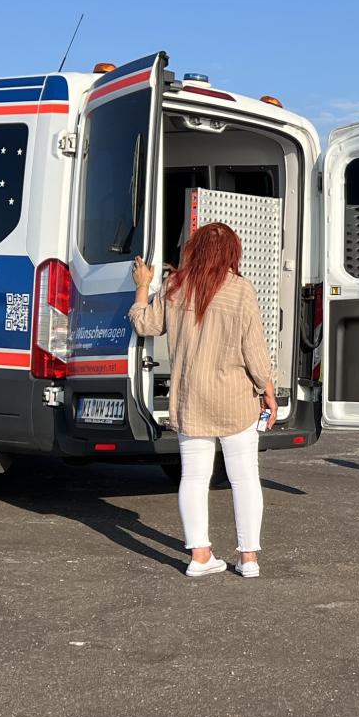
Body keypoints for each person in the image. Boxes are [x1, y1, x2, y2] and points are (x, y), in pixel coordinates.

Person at [130, 223, 276, 579]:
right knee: (245, 477)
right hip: (235, 399)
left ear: (193, 250)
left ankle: (199, 555)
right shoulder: (241, 290)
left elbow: (145, 325)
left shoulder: (174, 286)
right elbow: (254, 351)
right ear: (232, 253)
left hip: (191, 398)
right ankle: (249, 558)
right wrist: (268, 390)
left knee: (194, 476)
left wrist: (142, 286)